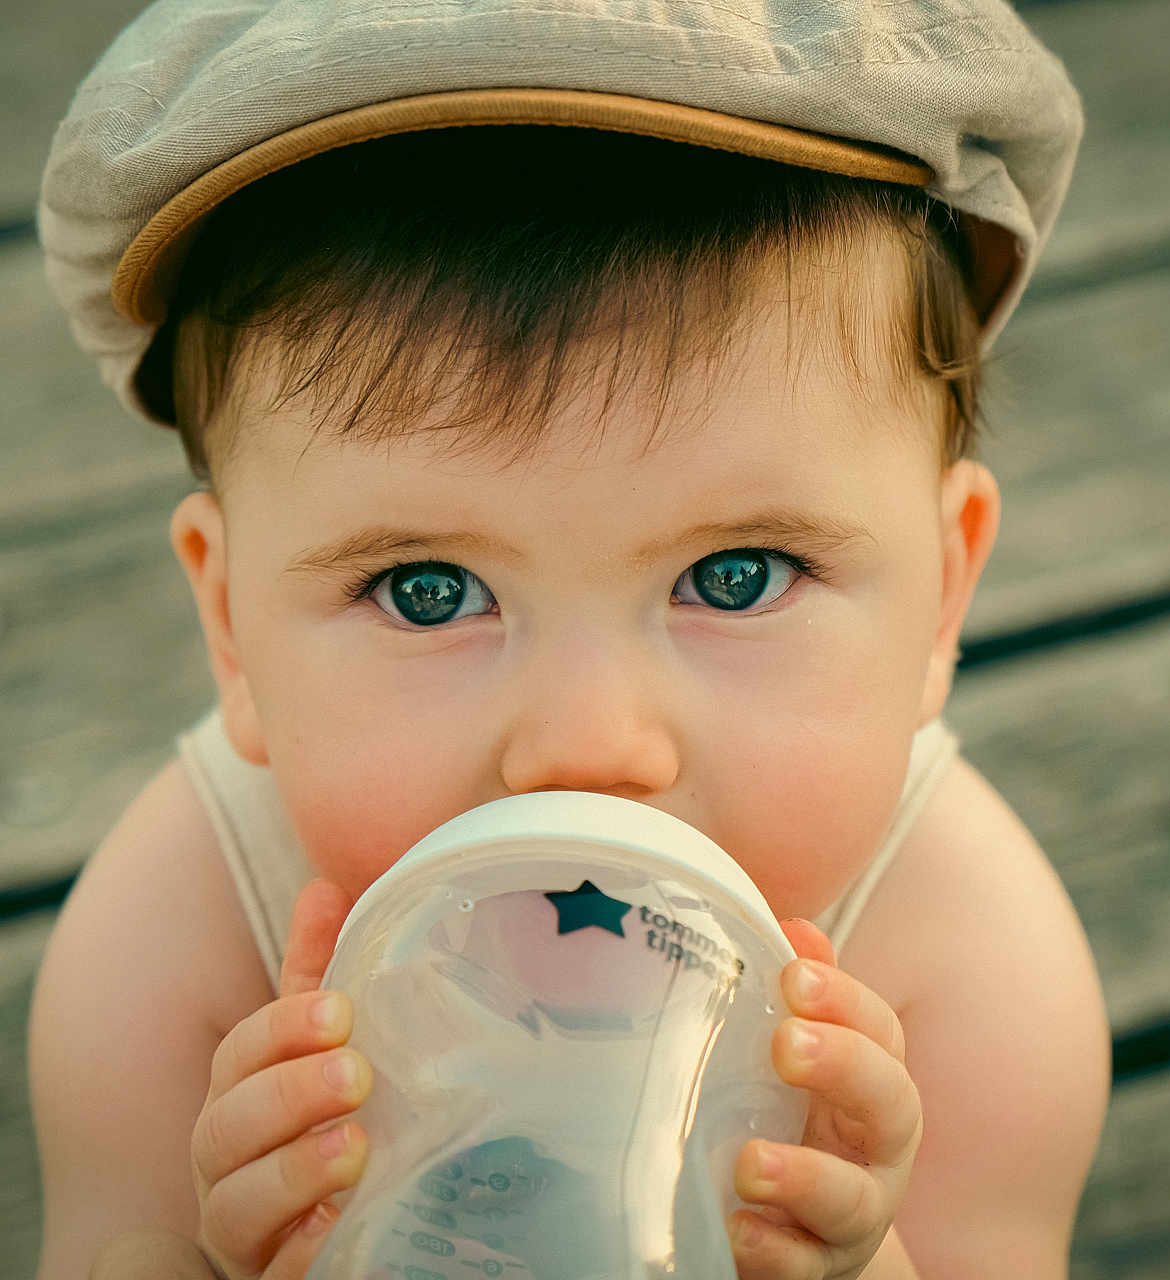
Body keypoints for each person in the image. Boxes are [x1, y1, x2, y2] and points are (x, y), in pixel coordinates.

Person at [30, 1, 1111, 1277]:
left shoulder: (968, 967)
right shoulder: (181, 943)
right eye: (426, 589)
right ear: (231, 626)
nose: (587, 748)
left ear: (940, 595)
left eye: (736, 572)